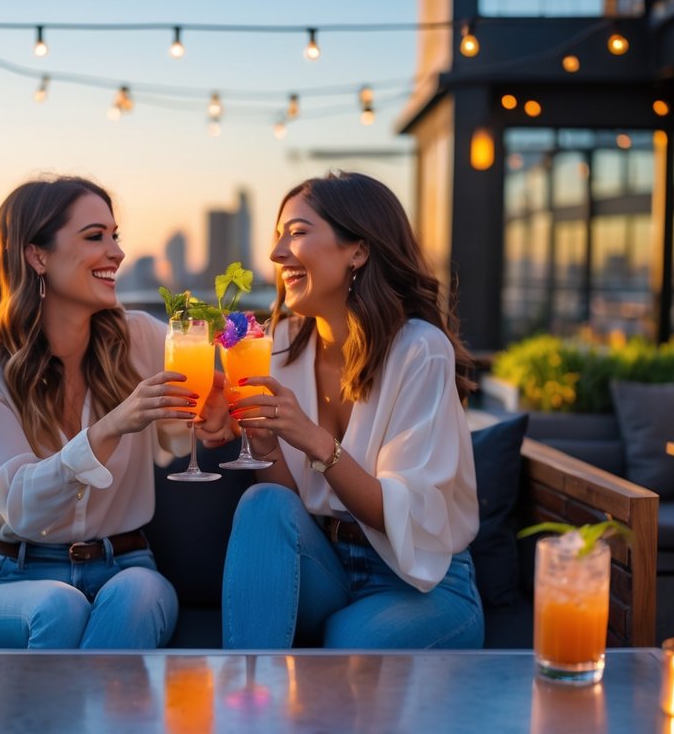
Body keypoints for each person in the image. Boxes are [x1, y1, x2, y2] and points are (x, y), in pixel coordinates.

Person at [207, 171, 484, 649]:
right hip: (328, 564)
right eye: (277, 236)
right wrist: (265, 440)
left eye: (296, 233)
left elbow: (401, 519)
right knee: (263, 502)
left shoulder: (420, 350)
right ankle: (246, 688)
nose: (276, 254)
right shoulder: (278, 345)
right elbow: (289, 504)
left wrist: (313, 439)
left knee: (348, 646)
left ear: (358, 250)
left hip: (419, 581)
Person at [0, 175, 201, 649]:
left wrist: (210, 416)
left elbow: (176, 439)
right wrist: (113, 426)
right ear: (37, 256)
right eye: (94, 236)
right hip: (8, 576)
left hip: (124, 565)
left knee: (139, 594)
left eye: (115, 236)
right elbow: (22, 508)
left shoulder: (144, 337)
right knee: (58, 607)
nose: (117, 253)